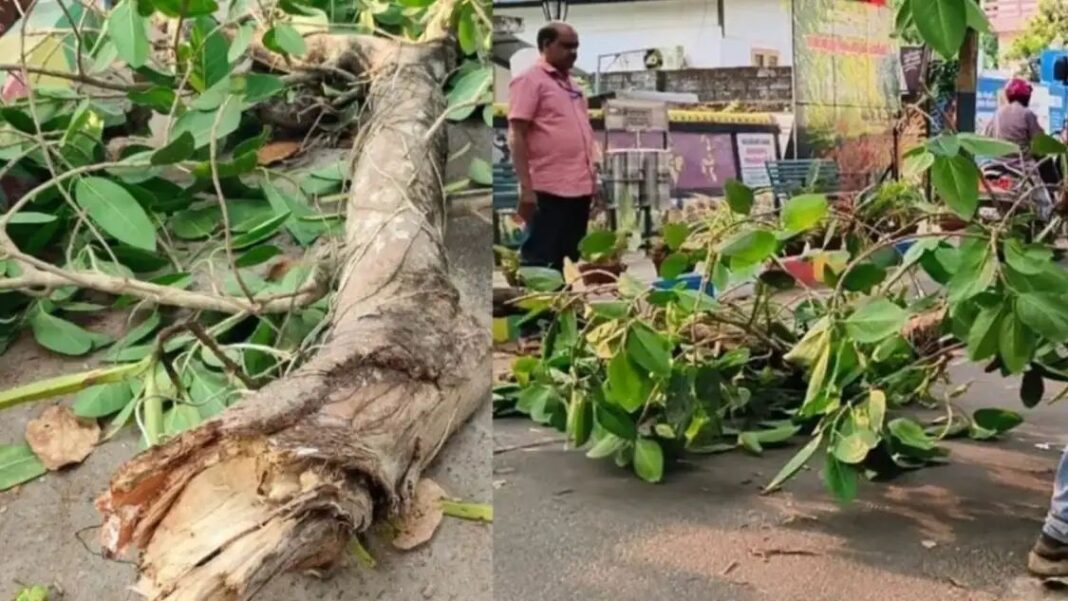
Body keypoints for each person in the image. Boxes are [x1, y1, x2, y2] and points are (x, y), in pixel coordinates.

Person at [508, 22, 600, 272]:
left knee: (570, 261)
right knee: (541, 261)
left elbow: (585, 135)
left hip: (580, 188)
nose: (573, 53)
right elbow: (517, 134)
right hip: (547, 189)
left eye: (576, 47)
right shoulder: (529, 80)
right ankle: (541, 301)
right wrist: (526, 188)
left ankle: (565, 299)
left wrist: (594, 182)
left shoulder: (575, 87)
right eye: (566, 46)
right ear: (546, 45)